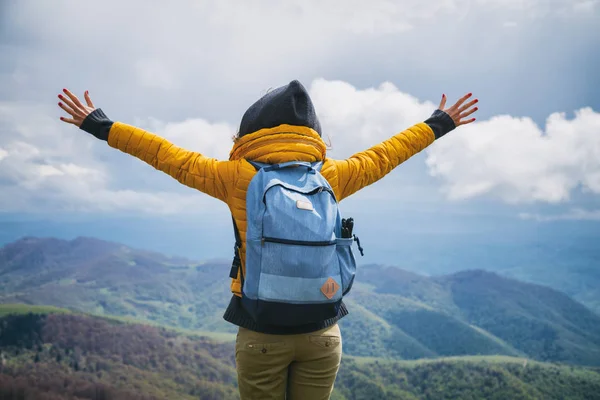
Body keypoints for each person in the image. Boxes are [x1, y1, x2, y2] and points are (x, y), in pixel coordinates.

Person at [57, 80, 477, 399]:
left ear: (249, 133)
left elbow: (164, 153)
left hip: (260, 333)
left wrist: (101, 125)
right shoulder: (331, 177)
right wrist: (440, 123)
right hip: (324, 332)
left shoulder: (234, 177)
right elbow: (387, 154)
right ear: (312, 134)